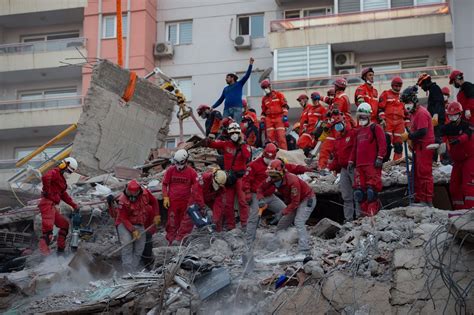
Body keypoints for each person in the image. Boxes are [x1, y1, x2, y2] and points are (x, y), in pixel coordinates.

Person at [243, 143, 314, 243]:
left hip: (271, 195)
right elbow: (246, 180)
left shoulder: (276, 165)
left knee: (285, 211)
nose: (270, 161)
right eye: (268, 158)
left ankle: (289, 234)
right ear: (264, 155)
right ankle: (249, 239)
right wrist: (248, 193)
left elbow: (292, 167)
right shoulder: (253, 165)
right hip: (258, 195)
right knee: (254, 216)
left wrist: (306, 168)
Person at [257, 159, 316, 254]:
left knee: (299, 221)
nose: (273, 179)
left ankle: (304, 249)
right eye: (271, 176)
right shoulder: (272, 178)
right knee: (282, 224)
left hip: (306, 199)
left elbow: (295, 203)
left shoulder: (292, 181)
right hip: (294, 202)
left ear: (282, 173)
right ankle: (273, 246)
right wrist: (260, 199)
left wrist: (282, 212)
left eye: (275, 176)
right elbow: (260, 188)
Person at [205, 122, 251, 230]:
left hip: (240, 177)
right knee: (228, 203)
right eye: (232, 133)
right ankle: (231, 225)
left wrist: (242, 143)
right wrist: (208, 139)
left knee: (242, 201)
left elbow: (247, 156)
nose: (234, 134)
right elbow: (212, 144)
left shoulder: (244, 146)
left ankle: (245, 224)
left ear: (239, 133)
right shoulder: (225, 144)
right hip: (229, 177)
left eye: (236, 132)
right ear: (229, 134)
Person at [348, 103, 386, 217]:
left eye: (364, 117)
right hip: (359, 166)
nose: (362, 119)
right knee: (360, 193)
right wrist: (351, 161)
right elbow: (355, 148)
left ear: (369, 116)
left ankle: (372, 216)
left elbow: (382, 144)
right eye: (360, 117)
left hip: (371, 165)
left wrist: (380, 157)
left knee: (371, 192)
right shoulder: (359, 131)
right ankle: (365, 217)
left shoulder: (376, 128)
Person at [114, 180, 160, 272]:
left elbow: (154, 201)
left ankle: (133, 269)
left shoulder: (146, 194)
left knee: (140, 248)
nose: (131, 196)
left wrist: (156, 215)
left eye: (134, 193)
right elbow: (123, 218)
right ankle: (127, 271)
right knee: (127, 245)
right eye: (129, 193)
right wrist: (133, 230)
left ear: (139, 191)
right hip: (124, 224)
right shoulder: (122, 201)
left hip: (139, 222)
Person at [401, 86, 435, 207]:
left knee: (424, 174)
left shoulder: (421, 113)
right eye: (405, 103)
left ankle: (427, 200)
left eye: (408, 102)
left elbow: (422, 132)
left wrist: (409, 136)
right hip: (419, 146)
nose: (406, 105)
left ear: (414, 101)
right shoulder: (413, 113)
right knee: (416, 174)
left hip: (425, 146)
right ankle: (420, 199)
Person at [38, 157, 80, 255]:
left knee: (64, 225)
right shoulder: (55, 172)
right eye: (69, 171)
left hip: (52, 206)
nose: (69, 174)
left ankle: (60, 251)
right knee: (48, 232)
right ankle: (45, 256)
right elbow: (45, 177)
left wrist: (74, 205)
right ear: (63, 166)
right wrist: (47, 191)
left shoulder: (61, 180)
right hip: (47, 204)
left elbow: (64, 195)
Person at [439, 101, 474, 209]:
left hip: (469, 158)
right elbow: (440, 135)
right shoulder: (447, 127)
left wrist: (457, 140)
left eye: (455, 115)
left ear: (460, 114)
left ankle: (470, 211)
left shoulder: (467, 125)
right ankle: (458, 210)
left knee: (467, 186)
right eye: (450, 115)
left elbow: (466, 135)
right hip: (457, 161)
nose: (453, 117)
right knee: (454, 187)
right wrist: (441, 145)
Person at [162, 149, 198, 244]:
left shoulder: (192, 172)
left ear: (186, 161)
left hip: (185, 202)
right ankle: (170, 241)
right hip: (173, 202)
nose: (178, 166)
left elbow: (196, 187)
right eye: (176, 163)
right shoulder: (170, 170)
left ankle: (181, 240)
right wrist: (165, 197)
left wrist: (194, 200)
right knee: (172, 222)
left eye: (180, 163)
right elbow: (164, 184)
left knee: (185, 222)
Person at [328, 113, 359, 222]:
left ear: (344, 122)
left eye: (339, 124)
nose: (337, 127)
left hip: (354, 167)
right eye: (335, 125)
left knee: (358, 193)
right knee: (346, 196)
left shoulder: (353, 133)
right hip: (344, 169)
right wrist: (333, 168)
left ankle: (359, 217)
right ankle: (349, 219)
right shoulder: (338, 139)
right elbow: (337, 156)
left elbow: (358, 149)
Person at [212, 58, 254, 123]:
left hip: (237, 109)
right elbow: (220, 100)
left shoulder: (239, 84)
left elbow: (247, 75)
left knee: (236, 127)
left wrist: (250, 64)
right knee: (224, 127)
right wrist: (213, 107)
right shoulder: (225, 89)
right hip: (226, 110)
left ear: (232, 78)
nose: (226, 79)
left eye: (227, 78)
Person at [417, 73, 445, 162]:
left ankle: (445, 160)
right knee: (435, 140)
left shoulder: (434, 88)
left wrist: (436, 114)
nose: (421, 87)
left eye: (421, 85)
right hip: (435, 120)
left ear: (425, 82)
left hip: (437, 120)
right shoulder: (433, 89)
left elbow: (439, 102)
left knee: (438, 140)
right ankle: (435, 160)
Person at [378, 76, 405, 160]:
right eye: (396, 86)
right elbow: (380, 108)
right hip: (388, 121)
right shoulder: (386, 94)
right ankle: (385, 162)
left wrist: (408, 124)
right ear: (392, 85)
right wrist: (382, 119)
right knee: (386, 143)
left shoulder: (403, 96)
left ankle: (397, 162)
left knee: (398, 145)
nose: (398, 88)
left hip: (399, 123)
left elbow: (406, 111)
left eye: (399, 86)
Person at [260, 79, 289, 149]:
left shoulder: (279, 95)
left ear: (270, 86)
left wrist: (285, 115)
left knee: (281, 137)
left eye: (266, 87)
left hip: (279, 117)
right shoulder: (264, 99)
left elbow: (285, 106)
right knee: (270, 138)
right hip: (269, 119)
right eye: (264, 88)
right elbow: (263, 112)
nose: (265, 89)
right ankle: (272, 153)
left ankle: (284, 154)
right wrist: (262, 121)